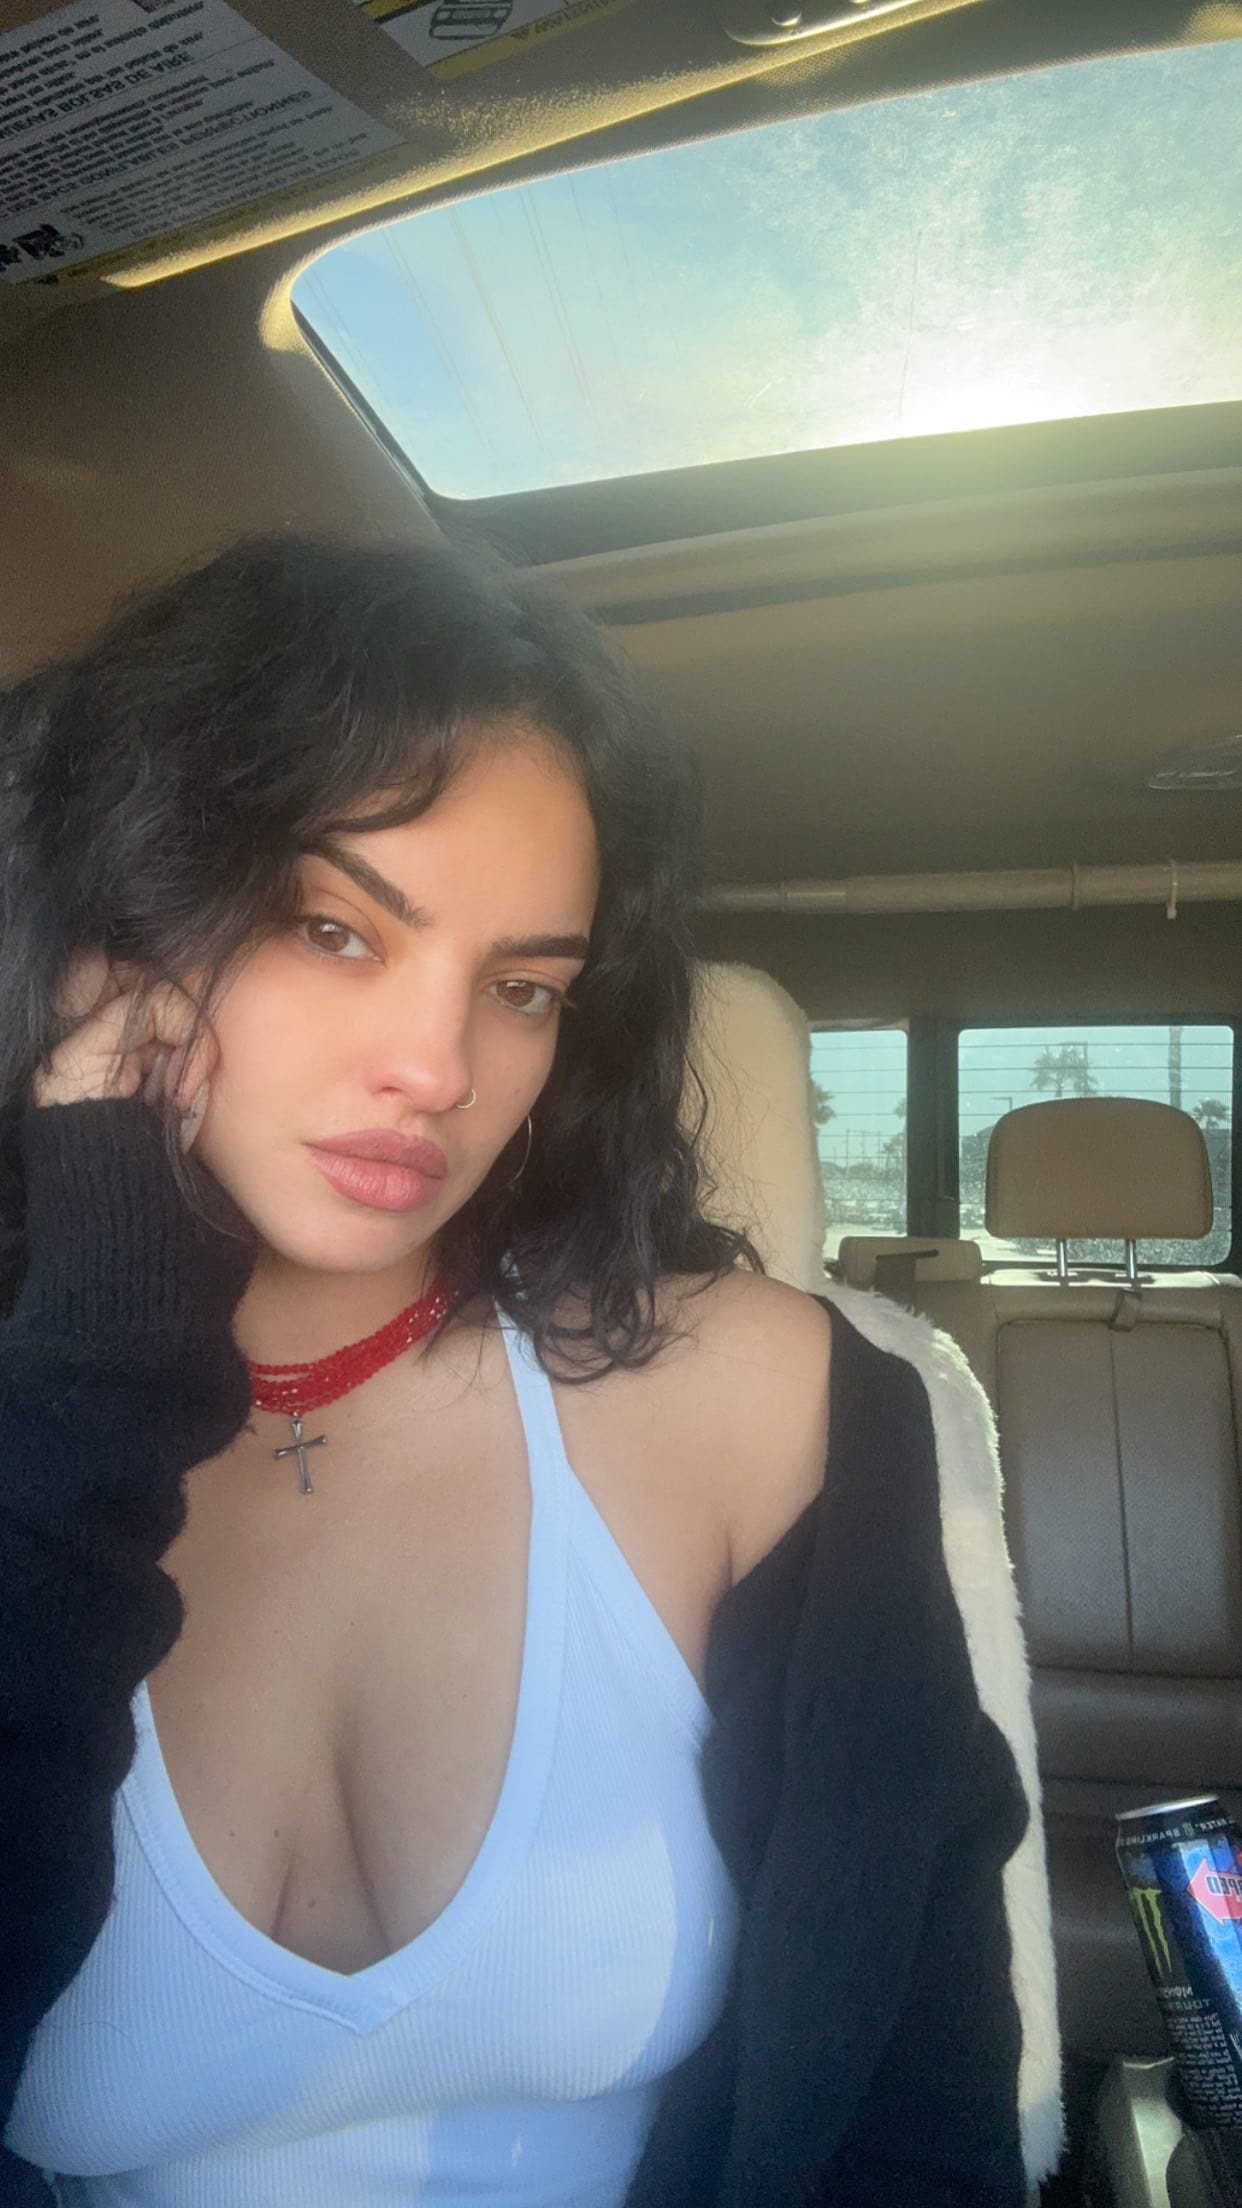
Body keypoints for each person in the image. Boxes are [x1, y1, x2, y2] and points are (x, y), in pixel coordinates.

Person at [0, 535, 1036, 2207]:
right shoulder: (37, 1446)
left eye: (524, 986)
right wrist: (101, 1355)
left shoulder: (761, 1410)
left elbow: (915, 2114)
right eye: (331, 928)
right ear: (97, 934)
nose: (437, 1065)